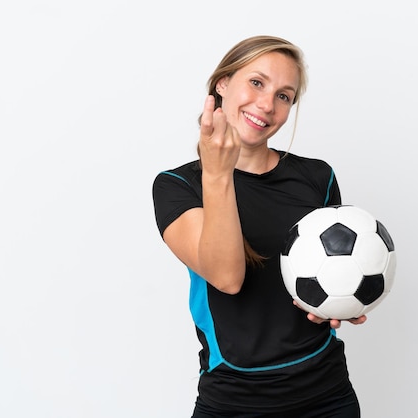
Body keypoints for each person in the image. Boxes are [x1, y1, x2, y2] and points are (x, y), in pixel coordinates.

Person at [152, 35, 366, 417]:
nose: (267, 105)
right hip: (234, 400)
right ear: (223, 83)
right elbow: (227, 276)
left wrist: (342, 301)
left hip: (327, 395)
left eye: (284, 96)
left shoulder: (318, 177)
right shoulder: (176, 186)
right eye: (256, 82)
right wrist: (217, 172)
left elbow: (335, 271)